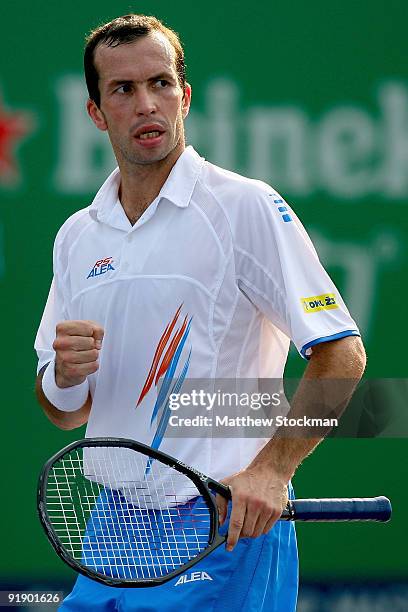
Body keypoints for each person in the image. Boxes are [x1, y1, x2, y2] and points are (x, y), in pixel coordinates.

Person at [34, 14, 366, 612]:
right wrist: (63, 375)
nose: (146, 104)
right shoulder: (76, 237)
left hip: (222, 524)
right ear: (95, 113)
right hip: (111, 529)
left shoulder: (245, 207)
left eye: (161, 84)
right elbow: (64, 411)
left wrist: (271, 471)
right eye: (123, 90)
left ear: (184, 97)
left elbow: (342, 353)